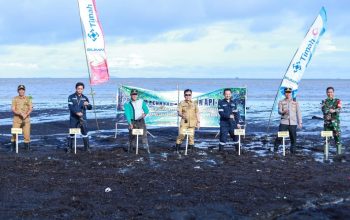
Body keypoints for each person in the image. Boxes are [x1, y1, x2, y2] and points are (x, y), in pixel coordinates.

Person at [274, 87, 302, 154]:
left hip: (293, 123)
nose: (288, 94)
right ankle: (275, 149)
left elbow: (298, 112)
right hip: (284, 122)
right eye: (287, 92)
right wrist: (283, 112)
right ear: (284, 93)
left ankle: (293, 150)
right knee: (279, 136)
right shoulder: (281, 102)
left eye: (289, 92)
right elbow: (279, 111)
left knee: (293, 137)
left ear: (291, 93)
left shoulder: (295, 102)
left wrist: (300, 122)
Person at [67, 82, 92, 153]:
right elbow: (70, 107)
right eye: (78, 89)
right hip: (74, 118)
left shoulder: (85, 98)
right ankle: (69, 148)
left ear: (83, 89)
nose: (80, 90)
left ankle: (87, 149)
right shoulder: (71, 97)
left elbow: (90, 108)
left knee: (84, 132)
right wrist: (77, 113)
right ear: (76, 89)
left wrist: (88, 104)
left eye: (81, 89)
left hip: (83, 118)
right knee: (72, 133)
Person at [124, 89, 150, 153]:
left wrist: (145, 114)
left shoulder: (141, 101)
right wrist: (130, 123)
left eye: (135, 94)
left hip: (141, 121)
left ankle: (147, 149)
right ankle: (130, 149)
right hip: (132, 122)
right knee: (132, 136)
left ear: (137, 95)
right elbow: (127, 114)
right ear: (130, 95)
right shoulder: (127, 103)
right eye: (133, 94)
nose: (134, 96)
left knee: (144, 135)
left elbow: (146, 110)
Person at [321, 87, 343, 156]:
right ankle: (326, 154)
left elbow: (339, 109)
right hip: (327, 124)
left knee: (338, 139)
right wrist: (332, 110)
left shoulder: (338, 101)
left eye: (331, 92)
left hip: (335, 124)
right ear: (326, 93)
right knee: (326, 139)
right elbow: (324, 110)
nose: (330, 93)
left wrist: (334, 110)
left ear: (333, 93)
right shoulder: (324, 101)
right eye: (328, 92)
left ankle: (339, 153)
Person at [11, 85, 33, 151]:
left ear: (24, 90)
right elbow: (13, 109)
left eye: (22, 90)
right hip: (17, 119)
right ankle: (13, 149)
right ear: (18, 91)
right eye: (20, 90)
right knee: (14, 134)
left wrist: (26, 114)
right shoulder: (14, 98)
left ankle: (27, 149)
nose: (21, 91)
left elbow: (31, 108)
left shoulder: (29, 98)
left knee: (27, 135)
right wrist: (20, 113)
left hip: (26, 120)